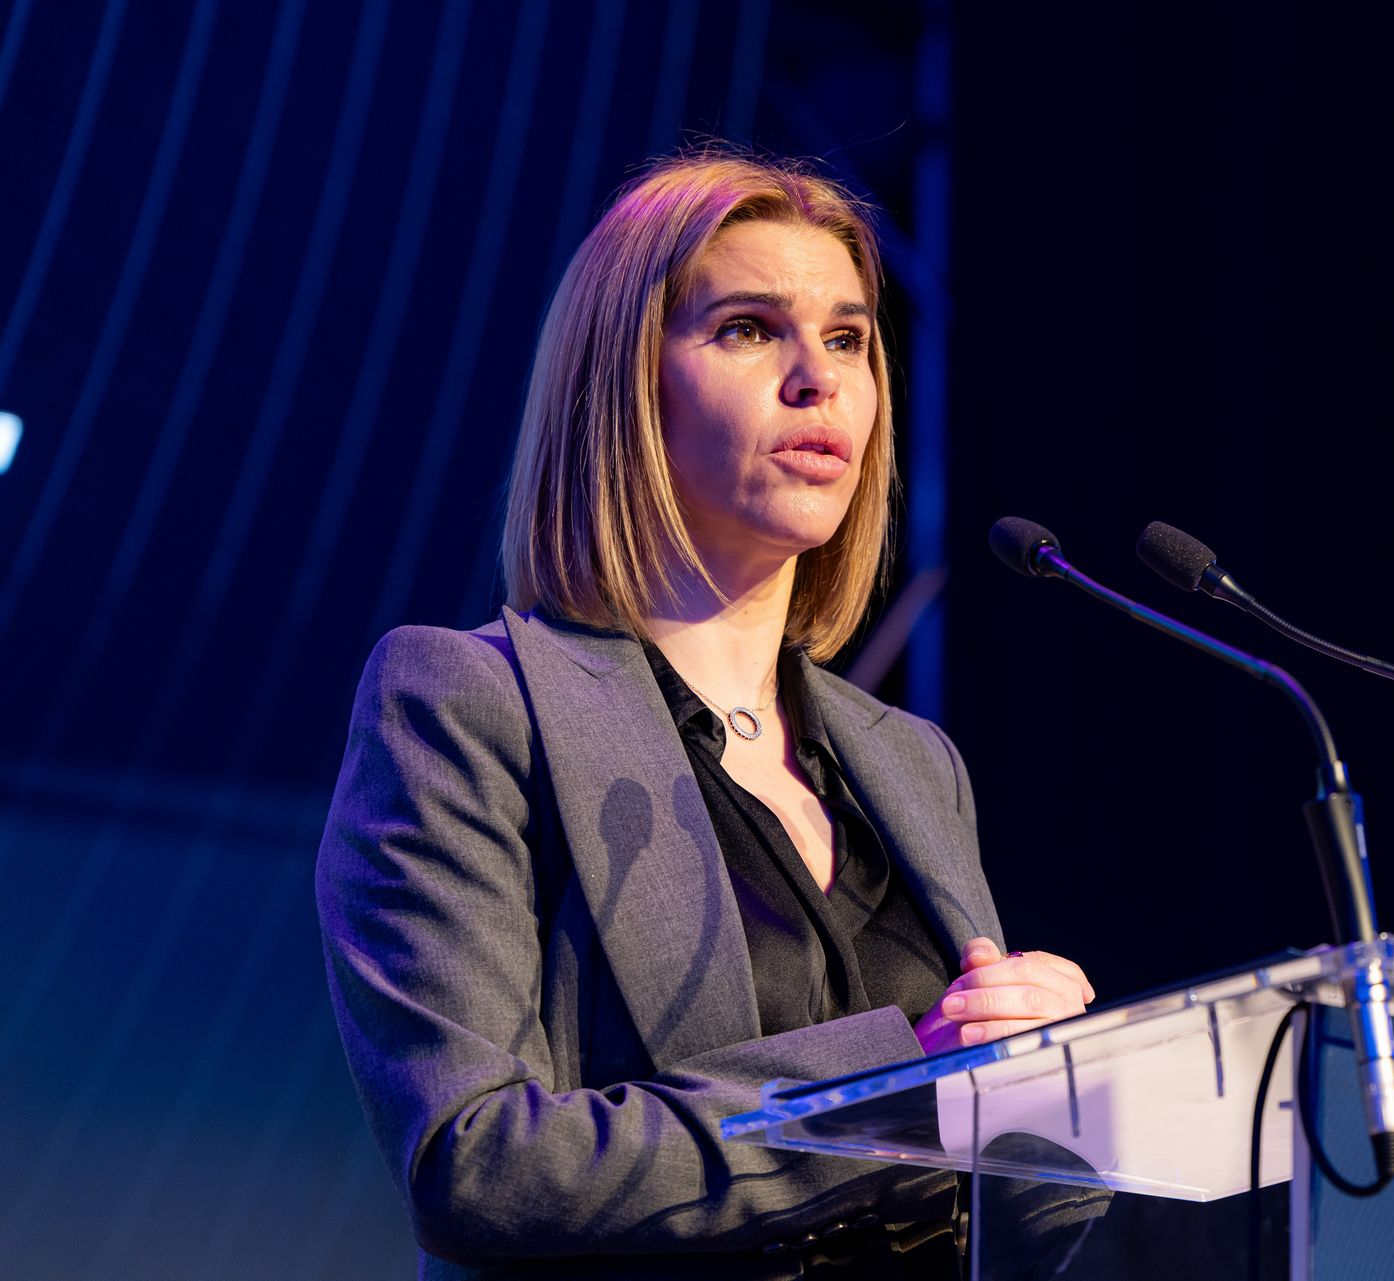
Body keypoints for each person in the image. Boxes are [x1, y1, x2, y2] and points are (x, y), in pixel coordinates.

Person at [315, 153, 1101, 1280]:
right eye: (748, 329)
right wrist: (895, 1090)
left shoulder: (912, 763)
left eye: (848, 339)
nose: (818, 379)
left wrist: (1062, 1096)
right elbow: (476, 1163)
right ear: (626, 386)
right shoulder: (469, 705)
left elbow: (980, 1180)